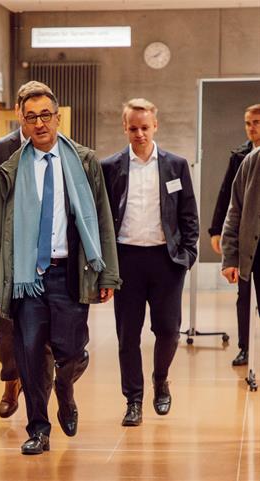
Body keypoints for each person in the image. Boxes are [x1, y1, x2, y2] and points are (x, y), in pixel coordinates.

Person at [0, 85, 120, 455]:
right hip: (26, 279)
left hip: (68, 272)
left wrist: (107, 273)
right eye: (32, 117)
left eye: (46, 115)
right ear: (22, 121)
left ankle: (65, 388)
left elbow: (102, 220)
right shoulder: (12, 168)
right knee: (28, 353)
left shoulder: (83, 160)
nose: (40, 123)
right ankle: (39, 428)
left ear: (58, 117)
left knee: (73, 349)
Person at [101, 98, 199, 427]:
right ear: (124, 128)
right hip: (126, 260)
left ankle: (161, 379)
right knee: (128, 336)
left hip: (165, 260)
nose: (139, 133)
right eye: (133, 128)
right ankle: (133, 399)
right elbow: (102, 220)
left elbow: (188, 215)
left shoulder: (176, 165)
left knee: (168, 331)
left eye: (145, 127)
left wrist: (186, 256)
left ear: (155, 126)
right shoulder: (110, 166)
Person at [0, 81, 55, 419]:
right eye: (30, 112)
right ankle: (11, 380)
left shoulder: (61, 149)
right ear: (19, 112)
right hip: (12, 256)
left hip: (48, 254)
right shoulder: (1, 149)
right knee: (8, 331)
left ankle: (39, 410)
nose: (38, 121)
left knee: (46, 337)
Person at [209, 104, 260, 366]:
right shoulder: (242, 156)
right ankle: (246, 347)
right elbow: (229, 200)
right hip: (250, 242)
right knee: (245, 297)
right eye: (248, 123)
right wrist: (217, 231)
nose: (252, 127)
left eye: (257, 122)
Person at [222, 147, 260, 347]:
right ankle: (245, 349)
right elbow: (234, 211)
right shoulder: (252, 161)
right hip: (256, 253)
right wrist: (230, 257)